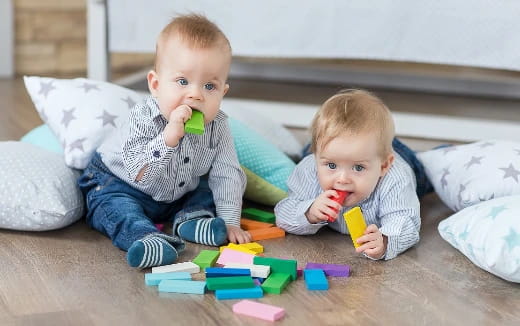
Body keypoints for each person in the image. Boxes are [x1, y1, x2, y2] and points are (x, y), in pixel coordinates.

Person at [78, 14, 250, 269]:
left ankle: (193, 221)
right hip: (119, 183)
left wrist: (230, 220)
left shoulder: (218, 126)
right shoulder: (144, 117)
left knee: (206, 190)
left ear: (223, 92)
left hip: (175, 192)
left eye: (209, 86)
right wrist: (168, 138)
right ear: (156, 85)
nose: (195, 95)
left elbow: (227, 174)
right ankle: (146, 238)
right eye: (182, 81)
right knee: (115, 209)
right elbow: (140, 174)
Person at [275, 89, 432, 260]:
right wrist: (309, 213)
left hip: (405, 160)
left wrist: (385, 240)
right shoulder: (309, 169)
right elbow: (283, 214)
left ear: (384, 165)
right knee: (317, 146)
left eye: (357, 168)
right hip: (341, 150)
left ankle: (434, 154)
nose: (342, 179)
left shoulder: (395, 178)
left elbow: (406, 221)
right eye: (332, 165)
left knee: (427, 172)